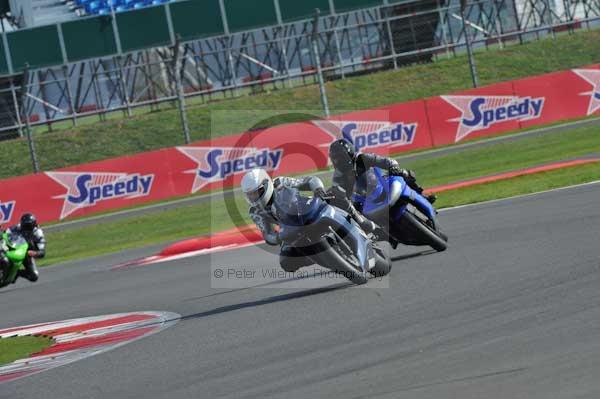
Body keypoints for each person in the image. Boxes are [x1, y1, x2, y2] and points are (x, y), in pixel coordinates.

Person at [241, 168, 376, 273]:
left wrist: (318, 190)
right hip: (291, 230)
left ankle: (360, 220)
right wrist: (276, 238)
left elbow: (309, 180)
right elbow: (267, 234)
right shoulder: (255, 212)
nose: (253, 197)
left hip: (307, 210)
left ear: (266, 185)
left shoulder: (279, 183)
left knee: (336, 193)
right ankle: (319, 258)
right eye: (250, 194)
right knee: (286, 262)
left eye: (256, 192)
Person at [328, 138, 436, 207]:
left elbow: (384, 160)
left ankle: (423, 196)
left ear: (348, 152)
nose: (338, 161)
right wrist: (332, 195)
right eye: (335, 158)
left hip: (381, 183)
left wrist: (393, 166)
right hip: (365, 200)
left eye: (340, 157)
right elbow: (335, 189)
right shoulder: (338, 175)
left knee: (403, 173)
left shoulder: (362, 158)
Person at [3, 213, 45, 282]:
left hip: (27, 253)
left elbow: (42, 252)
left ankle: (17, 273)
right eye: (25, 225)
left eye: (29, 226)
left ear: (34, 225)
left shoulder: (38, 233)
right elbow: (5, 233)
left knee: (34, 276)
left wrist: (35, 253)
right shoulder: (16, 227)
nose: (26, 228)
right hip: (12, 247)